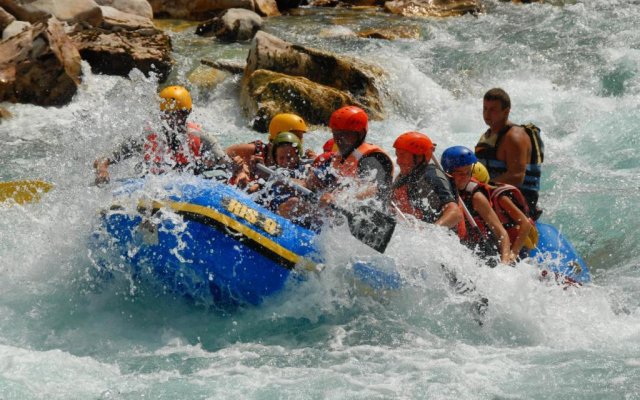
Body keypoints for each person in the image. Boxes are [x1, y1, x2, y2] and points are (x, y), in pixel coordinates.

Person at [94, 86, 228, 185]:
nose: (174, 119)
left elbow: (226, 162)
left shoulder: (201, 137)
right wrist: (102, 170)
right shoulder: (146, 138)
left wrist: (240, 169)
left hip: (188, 189)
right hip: (152, 186)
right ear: (161, 114)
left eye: (180, 114)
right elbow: (104, 159)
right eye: (169, 114)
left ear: (188, 113)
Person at [442, 146, 535, 264]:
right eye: (460, 173)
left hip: (496, 248)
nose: (465, 178)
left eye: (468, 173)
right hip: (471, 248)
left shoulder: (479, 197)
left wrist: (510, 256)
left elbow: (505, 232)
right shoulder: (445, 191)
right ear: (448, 173)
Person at [475, 88, 544, 219]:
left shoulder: (514, 137)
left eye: (493, 110)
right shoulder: (489, 135)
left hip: (518, 202)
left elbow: (516, 177)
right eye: (485, 108)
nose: (487, 114)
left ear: (506, 111)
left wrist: (481, 188)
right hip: (494, 195)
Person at [308, 105, 393, 205]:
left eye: (344, 134)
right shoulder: (338, 158)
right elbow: (314, 181)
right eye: (335, 134)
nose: (338, 139)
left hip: (370, 216)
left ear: (360, 134)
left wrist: (340, 198)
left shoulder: (373, 158)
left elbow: (374, 188)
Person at [389, 131, 462, 229]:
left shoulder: (433, 175)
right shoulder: (407, 175)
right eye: (397, 155)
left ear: (419, 157)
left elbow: (455, 213)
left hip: (437, 236)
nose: (398, 161)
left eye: (403, 155)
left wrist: (430, 233)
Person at [226, 113, 310, 187]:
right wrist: (240, 166)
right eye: (297, 137)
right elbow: (222, 155)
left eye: (300, 138)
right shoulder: (255, 150)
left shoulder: (297, 160)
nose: (299, 142)